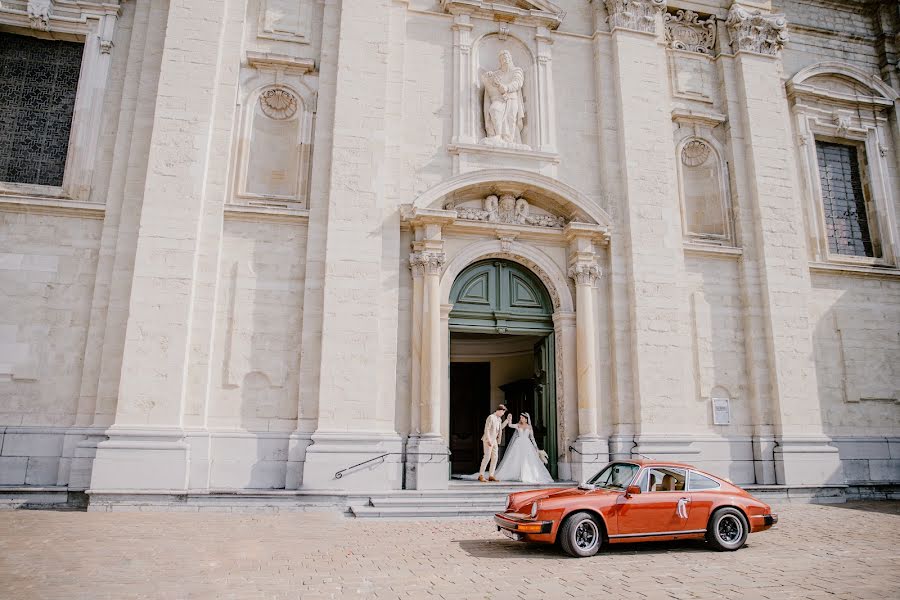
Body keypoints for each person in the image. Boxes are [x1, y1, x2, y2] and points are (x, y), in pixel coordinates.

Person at [492, 413, 554, 485]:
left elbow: (532, 438)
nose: (520, 419)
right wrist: (509, 419)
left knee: (527, 459)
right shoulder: (518, 425)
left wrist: (536, 447)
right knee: (516, 458)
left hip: (527, 444)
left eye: (522, 418)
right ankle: (516, 473)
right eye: (520, 417)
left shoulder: (529, 427)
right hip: (518, 444)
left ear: (526, 419)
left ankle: (526, 474)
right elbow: (510, 425)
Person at [478, 405, 510, 482]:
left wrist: (507, 420)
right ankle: (481, 475)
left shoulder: (499, 419)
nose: (503, 414)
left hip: (494, 441)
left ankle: (491, 475)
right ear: (499, 410)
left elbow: (500, 428)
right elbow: (487, 429)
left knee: (495, 457)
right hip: (488, 439)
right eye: (503, 412)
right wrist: (488, 440)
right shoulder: (491, 417)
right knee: (487, 457)